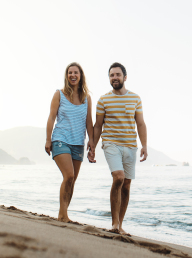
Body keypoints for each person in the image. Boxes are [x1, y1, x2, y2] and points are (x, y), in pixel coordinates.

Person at [93, 62, 147, 236]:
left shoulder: (135, 99)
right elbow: (98, 125)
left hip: (130, 146)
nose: (114, 78)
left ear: (125, 77)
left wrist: (144, 145)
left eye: (117, 75)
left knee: (126, 185)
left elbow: (140, 123)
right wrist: (92, 146)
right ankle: (114, 223)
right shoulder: (103, 100)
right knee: (119, 177)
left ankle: (120, 224)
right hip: (111, 143)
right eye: (111, 75)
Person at [45, 62, 96, 223]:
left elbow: (89, 122)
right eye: (70, 73)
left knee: (72, 180)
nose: (73, 75)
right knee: (69, 175)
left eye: (76, 73)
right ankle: (62, 215)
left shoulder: (87, 98)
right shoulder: (59, 94)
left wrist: (92, 142)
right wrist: (48, 139)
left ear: (81, 76)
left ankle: (64, 213)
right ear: (67, 76)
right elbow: (52, 117)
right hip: (60, 139)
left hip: (78, 143)